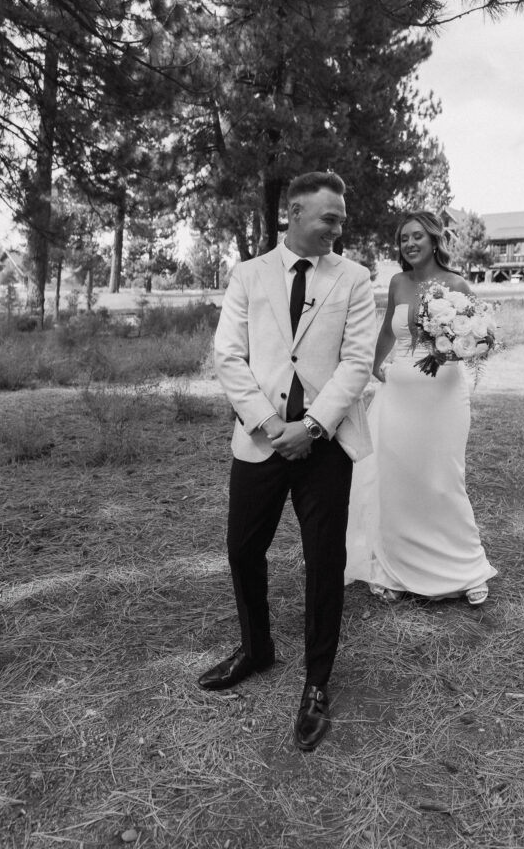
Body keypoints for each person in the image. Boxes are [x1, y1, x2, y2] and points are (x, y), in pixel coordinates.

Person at [198, 172, 376, 752]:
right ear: (295, 213)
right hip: (261, 440)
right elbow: (228, 356)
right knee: (242, 548)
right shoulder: (248, 275)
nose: (338, 228)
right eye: (330, 218)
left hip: (325, 446)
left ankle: (317, 681)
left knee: (325, 561)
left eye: (342, 219)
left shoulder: (355, 279)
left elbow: (355, 363)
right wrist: (274, 428)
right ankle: (257, 648)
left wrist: (313, 426)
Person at [345, 211, 497, 606]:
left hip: (443, 397)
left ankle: (468, 569)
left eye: (416, 237)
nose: (409, 244)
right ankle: (398, 569)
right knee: (398, 481)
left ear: (433, 240)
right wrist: (375, 365)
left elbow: (483, 337)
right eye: (403, 239)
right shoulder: (397, 282)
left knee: (444, 480)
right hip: (399, 395)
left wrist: (459, 346)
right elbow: (385, 331)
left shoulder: (456, 283)